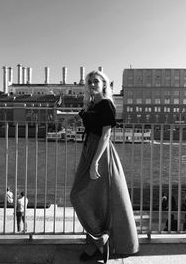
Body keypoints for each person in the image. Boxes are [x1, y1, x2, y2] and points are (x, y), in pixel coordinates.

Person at [70, 70, 139, 263]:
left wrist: (94, 162)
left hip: (100, 153)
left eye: (96, 81)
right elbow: (85, 119)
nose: (92, 84)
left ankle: (99, 240)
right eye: (89, 81)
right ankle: (98, 241)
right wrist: (71, 118)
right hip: (88, 150)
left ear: (104, 84)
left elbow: (106, 135)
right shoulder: (92, 104)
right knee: (89, 198)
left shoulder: (107, 105)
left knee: (77, 195)